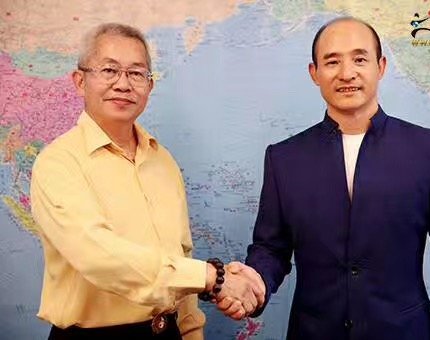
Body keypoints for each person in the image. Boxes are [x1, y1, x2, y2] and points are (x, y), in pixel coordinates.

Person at [237, 17, 430, 339]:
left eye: (360, 59)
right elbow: (271, 248)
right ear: (314, 73)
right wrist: (256, 283)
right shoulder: (284, 159)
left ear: (381, 66)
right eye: (332, 61)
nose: (347, 73)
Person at [30, 23, 264, 340]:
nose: (123, 84)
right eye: (109, 70)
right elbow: (99, 257)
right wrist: (211, 277)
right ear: (80, 81)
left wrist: (192, 330)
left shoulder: (163, 161)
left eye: (137, 73)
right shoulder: (58, 163)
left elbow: (179, 256)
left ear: (149, 87)